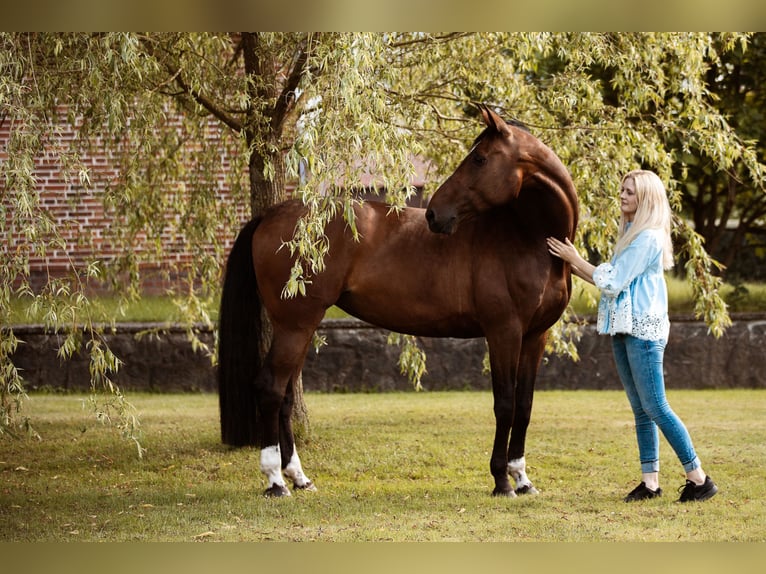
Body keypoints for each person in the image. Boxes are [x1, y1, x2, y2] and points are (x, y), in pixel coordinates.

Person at [546, 169, 718, 503]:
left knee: (656, 406)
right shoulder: (630, 234)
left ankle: (699, 478)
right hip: (625, 329)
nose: (622, 196)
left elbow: (613, 281)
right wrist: (569, 261)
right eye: (622, 190)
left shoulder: (648, 238)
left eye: (629, 192)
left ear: (646, 199)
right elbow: (606, 281)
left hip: (644, 332)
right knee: (641, 410)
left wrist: (574, 258)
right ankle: (650, 483)